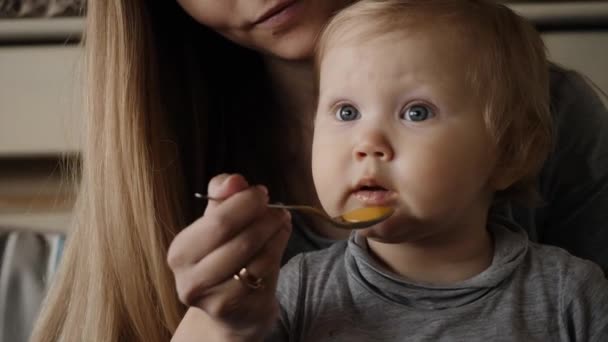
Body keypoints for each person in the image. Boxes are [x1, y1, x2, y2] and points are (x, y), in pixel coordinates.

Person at [30, 0, 608, 341]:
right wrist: (224, 328)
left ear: (512, 151)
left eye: (416, 112)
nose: (368, 145)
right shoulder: (300, 289)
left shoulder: (571, 291)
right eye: (345, 113)